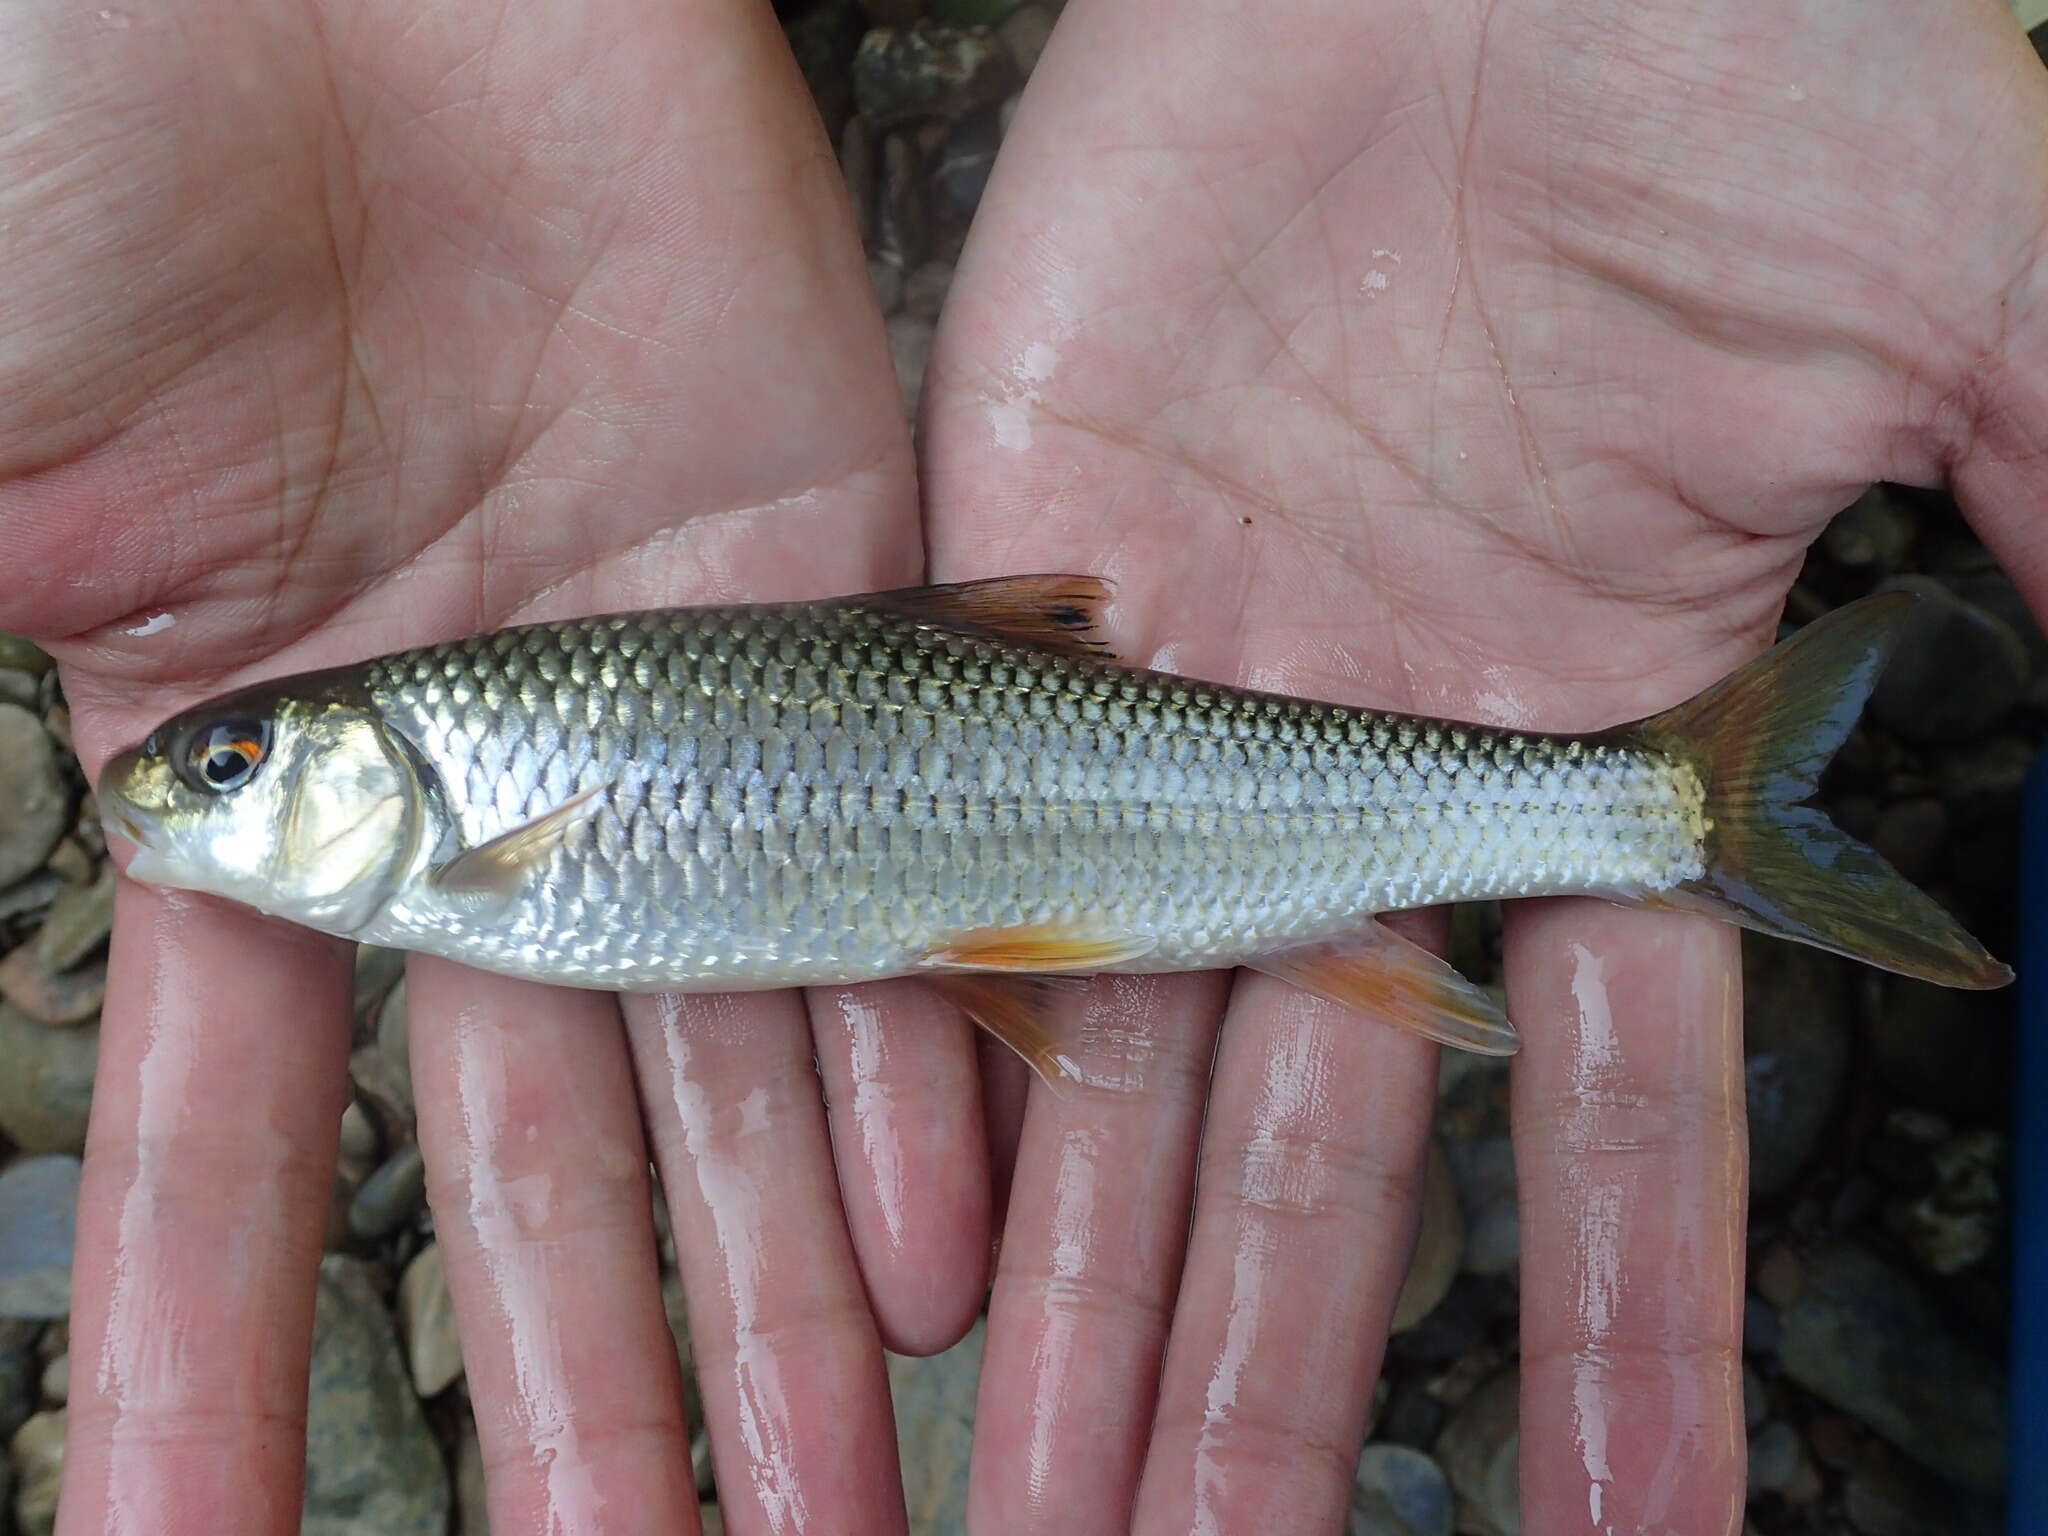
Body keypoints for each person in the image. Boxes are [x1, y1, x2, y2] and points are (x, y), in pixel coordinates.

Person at [3, 0, 2043, 1531]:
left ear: (361, 757)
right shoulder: (461, 790)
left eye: (238, 763)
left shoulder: (470, 810)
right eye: (223, 772)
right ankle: (1658, 808)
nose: (181, 805)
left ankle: (1666, 803)